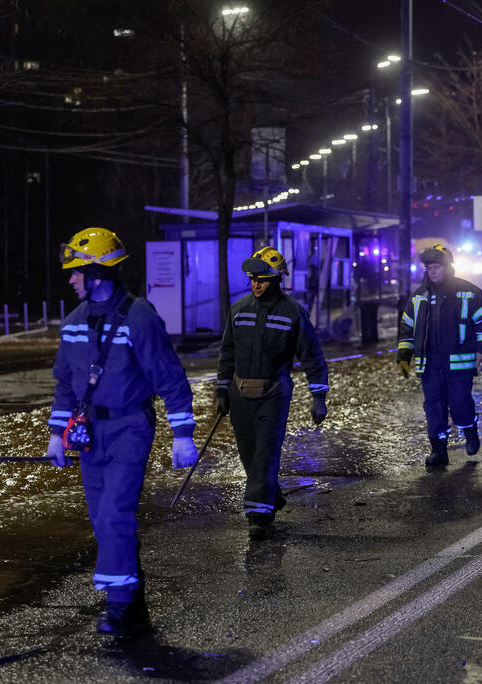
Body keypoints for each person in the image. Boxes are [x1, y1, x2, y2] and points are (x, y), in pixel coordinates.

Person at [45, 227, 199, 639]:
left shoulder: (139, 316)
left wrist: (182, 432)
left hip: (131, 425)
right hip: (90, 431)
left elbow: (167, 373)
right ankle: (133, 596)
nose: (71, 279)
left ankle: (118, 607)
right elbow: (65, 382)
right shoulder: (74, 322)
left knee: (114, 512)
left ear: (97, 273)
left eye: (77, 271)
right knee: (101, 517)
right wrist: (57, 433)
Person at [216, 246, 329, 541]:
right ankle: (270, 494)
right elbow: (227, 352)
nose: (256, 284)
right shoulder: (239, 310)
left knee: (265, 453)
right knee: (249, 455)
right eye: (253, 278)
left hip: (274, 394)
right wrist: (221, 390)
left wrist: (318, 396)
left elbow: (312, 356)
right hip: (240, 394)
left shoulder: (293, 313)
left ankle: (258, 515)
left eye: (263, 279)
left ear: (276, 280)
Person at [398, 244, 482, 467]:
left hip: (460, 364)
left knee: (460, 403)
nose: (432, 271)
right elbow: (407, 327)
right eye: (429, 267)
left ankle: (470, 431)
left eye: (437, 267)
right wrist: (404, 356)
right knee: (434, 407)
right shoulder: (419, 296)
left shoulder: (470, 292)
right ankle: (439, 451)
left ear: (448, 267)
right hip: (430, 365)